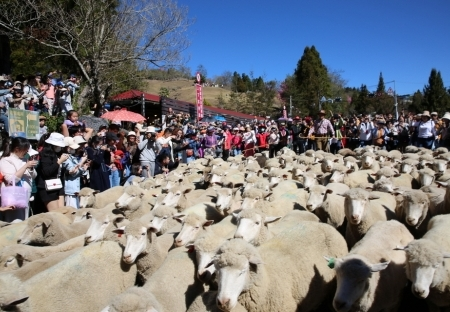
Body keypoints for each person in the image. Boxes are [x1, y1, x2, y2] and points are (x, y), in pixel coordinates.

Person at [0, 137, 37, 221]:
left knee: (24, 223)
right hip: (14, 198)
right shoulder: (6, 160)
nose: (27, 152)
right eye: (25, 150)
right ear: (17, 149)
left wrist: (31, 168)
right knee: (15, 224)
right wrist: (25, 166)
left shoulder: (25, 159)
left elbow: (34, 176)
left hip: (25, 198)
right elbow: (11, 180)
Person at [36, 133, 68, 211]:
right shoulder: (45, 155)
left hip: (58, 185)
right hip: (48, 187)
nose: (59, 147)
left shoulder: (56, 154)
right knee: (55, 214)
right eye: (58, 146)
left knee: (62, 212)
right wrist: (59, 161)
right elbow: (47, 172)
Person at [61, 137, 89, 208]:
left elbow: (79, 172)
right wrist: (82, 162)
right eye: (72, 148)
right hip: (71, 189)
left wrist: (84, 168)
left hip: (76, 188)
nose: (75, 149)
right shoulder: (65, 158)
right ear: (67, 148)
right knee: (71, 211)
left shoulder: (73, 157)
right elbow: (73, 174)